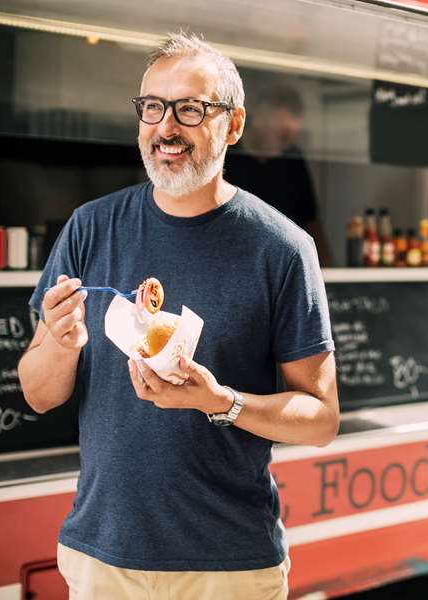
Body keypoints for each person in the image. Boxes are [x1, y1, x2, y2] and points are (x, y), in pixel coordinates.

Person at [17, 33, 338, 600]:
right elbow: (39, 394)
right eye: (152, 107)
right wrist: (61, 345)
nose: (166, 127)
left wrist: (221, 403)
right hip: (102, 556)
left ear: (233, 125)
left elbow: (320, 418)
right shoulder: (91, 228)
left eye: (190, 109)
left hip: (229, 567)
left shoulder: (283, 248)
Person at [224, 83, 332, 265]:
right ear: (260, 119)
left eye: (293, 135)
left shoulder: (293, 160)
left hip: (283, 262)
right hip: (233, 259)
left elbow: (311, 222)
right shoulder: (228, 154)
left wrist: (325, 266)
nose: (289, 142)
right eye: (283, 134)